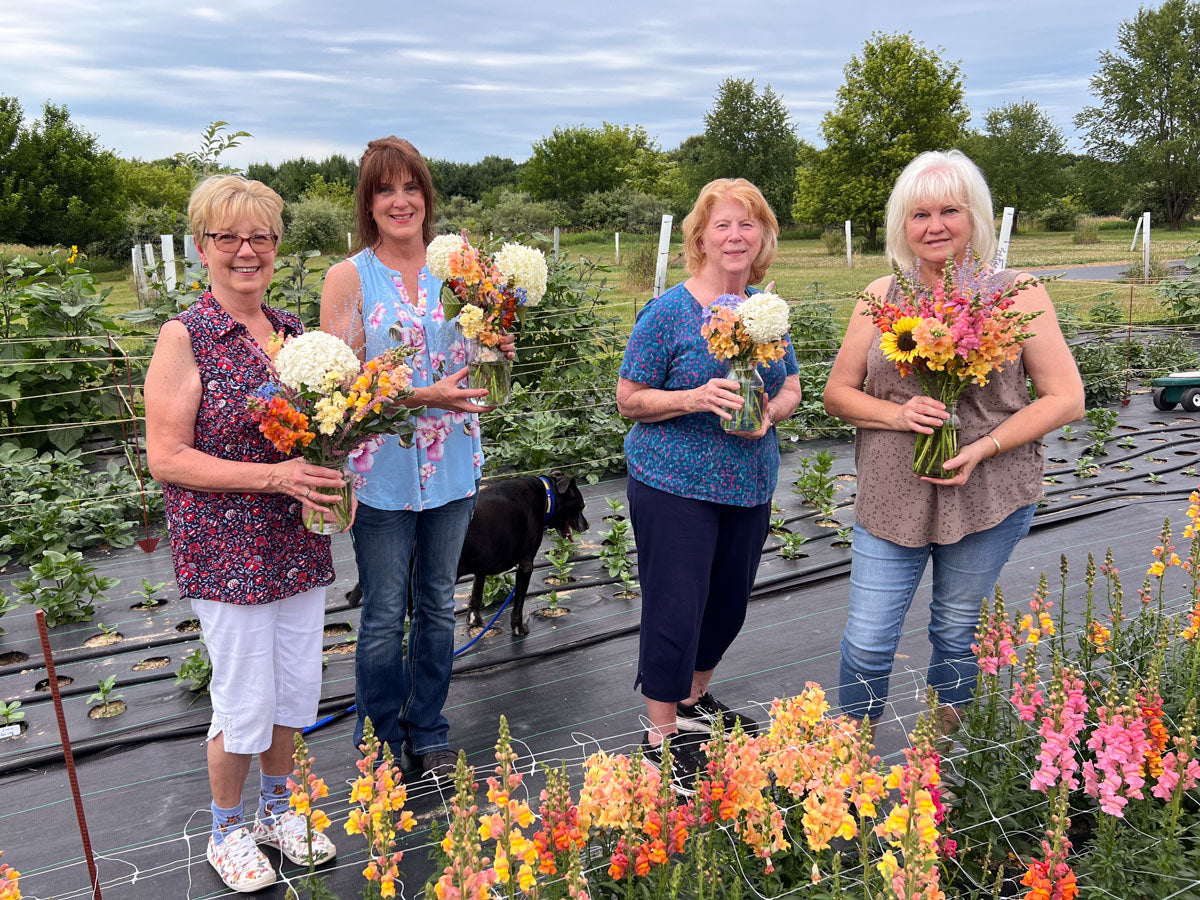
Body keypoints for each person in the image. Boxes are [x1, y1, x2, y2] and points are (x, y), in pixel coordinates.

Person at [823, 149, 1085, 735]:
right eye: (919, 215)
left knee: (955, 631)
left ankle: (945, 757)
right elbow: (837, 395)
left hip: (989, 492)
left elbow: (1066, 397)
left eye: (949, 211)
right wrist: (897, 414)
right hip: (893, 494)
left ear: (976, 219)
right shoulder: (882, 295)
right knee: (867, 641)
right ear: (902, 226)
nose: (934, 226)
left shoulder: (1016, 293)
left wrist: (985, 446)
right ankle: (852, 759)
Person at [145, 175, 344, 893]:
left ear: (277, 244)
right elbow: (168, 456)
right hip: (227, 552)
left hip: (296, 544)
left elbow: (324, 429)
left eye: (259, 236)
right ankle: (225, 831)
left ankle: (277, 813)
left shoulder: (293, 333)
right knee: (243, 699)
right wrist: (277, 478)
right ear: (202, 247)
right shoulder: (185, 337)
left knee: (295, 689)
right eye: (228, 236)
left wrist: (335, 454)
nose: (245, 251)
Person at [320, 136, 510, 778]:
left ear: (427, 196)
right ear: (368, 204)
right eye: (384, 190)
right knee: (380, 614)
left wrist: (498, 347)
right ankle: (375, 739)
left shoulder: (459, 272)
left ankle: (427, 724)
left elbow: (482, 348)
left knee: (435, 603)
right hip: (381, 474)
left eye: (410, 188)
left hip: (453, 465)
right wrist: (420, 393)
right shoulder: (349, 278)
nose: (399, 201)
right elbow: (336, 382)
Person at [616, 178, 803, 784]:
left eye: (747, 225)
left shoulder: (765, 310)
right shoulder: (669, 311)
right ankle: (662, 736)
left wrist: (770, 413)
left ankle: (695, 702)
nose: (735, 236)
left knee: (727, 607)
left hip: (748, 483)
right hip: (674, 483)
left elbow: (793, 385)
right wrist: (696, 397)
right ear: (700, 237)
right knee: (676, 609)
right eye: (722, 225)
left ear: (763, 236)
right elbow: (628, 399)